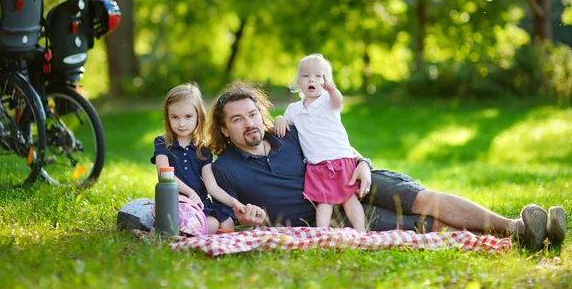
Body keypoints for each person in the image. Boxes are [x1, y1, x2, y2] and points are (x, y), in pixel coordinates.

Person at [208, 81, 566, 251]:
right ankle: (524, 238)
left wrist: (363, 162)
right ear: (224, 128)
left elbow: (336, 147)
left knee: (424, 199)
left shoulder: (290, 132)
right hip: (333, 216)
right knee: (423, 224)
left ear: (262, 113)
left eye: (253, 113)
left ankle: (519, 227)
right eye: (237, 120)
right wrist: (244, 221)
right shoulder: (225, 170)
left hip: (353, 176)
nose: (249, 123)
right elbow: (224, 221)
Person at [274, 54, 365, 232]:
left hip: (340, 159)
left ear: (327, 81)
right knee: (323, 201)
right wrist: (278, 118)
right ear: (298, 82)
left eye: (318, 76)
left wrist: (332, 90)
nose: (312, 80)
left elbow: (338, 102)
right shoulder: (294, 109)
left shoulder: (327, 101)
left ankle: (361, 231)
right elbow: (286, 120)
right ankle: (321, 233)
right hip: (317, 164)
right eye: (306, 76)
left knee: (349, 198)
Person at [151, 83, 246, 234]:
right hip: (176, 203)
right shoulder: (163, 143)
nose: (182, 124)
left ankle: (194, 235)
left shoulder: (203, 149)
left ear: (198, 117)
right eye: (175, 117)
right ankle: (182, 231)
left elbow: (211, 186)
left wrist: (234, 202)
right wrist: (189, 192)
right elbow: (164, 175)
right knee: (206, 225)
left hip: (200, 204)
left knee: (227, 223)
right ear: (167, 118)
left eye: (188, 117)